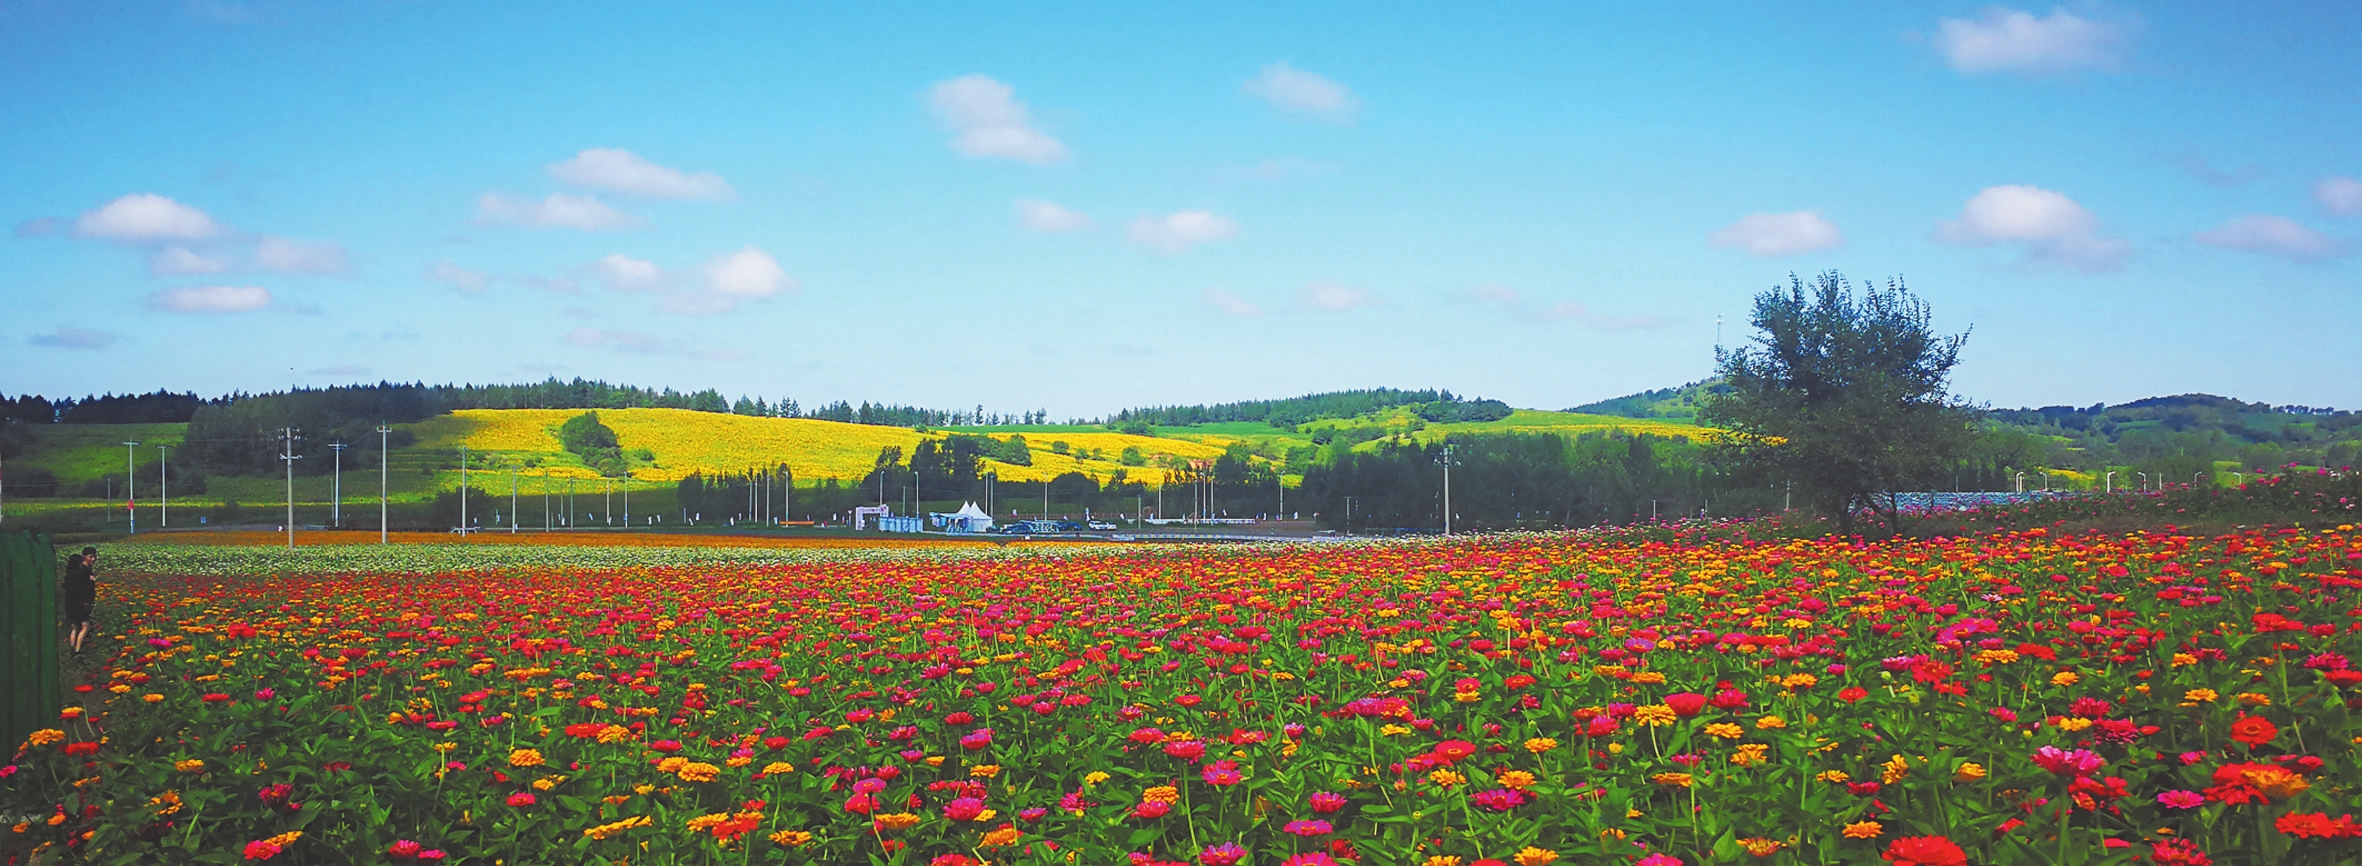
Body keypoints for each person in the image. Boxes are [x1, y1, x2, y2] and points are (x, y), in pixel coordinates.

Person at [63, 546, 97, 653]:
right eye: (90, 557)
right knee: (85, 626)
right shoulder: (83, 572)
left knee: (75, 627)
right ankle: (77, 649)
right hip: (82, 603)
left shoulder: (70, 574)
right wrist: (91, 582)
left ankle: (71, 648)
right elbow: (83, 589)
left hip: (71, 603)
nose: (93, 559)